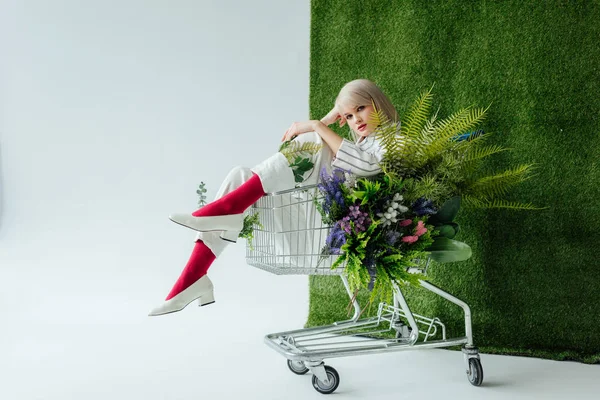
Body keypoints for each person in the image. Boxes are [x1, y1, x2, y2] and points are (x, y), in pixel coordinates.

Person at [148, 78, 400, 316]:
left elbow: (365, 166)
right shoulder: (361, 144)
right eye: (347, 115)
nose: (355, 119)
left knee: (314, 138)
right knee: (240, 175)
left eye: (360, 108)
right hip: (307, 226)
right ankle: (193, 277)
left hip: (328, 239)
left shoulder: (397, 140)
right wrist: (324, 120)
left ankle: (225, 211)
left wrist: (317, 125)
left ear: (377, 102)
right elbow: (348, 155)